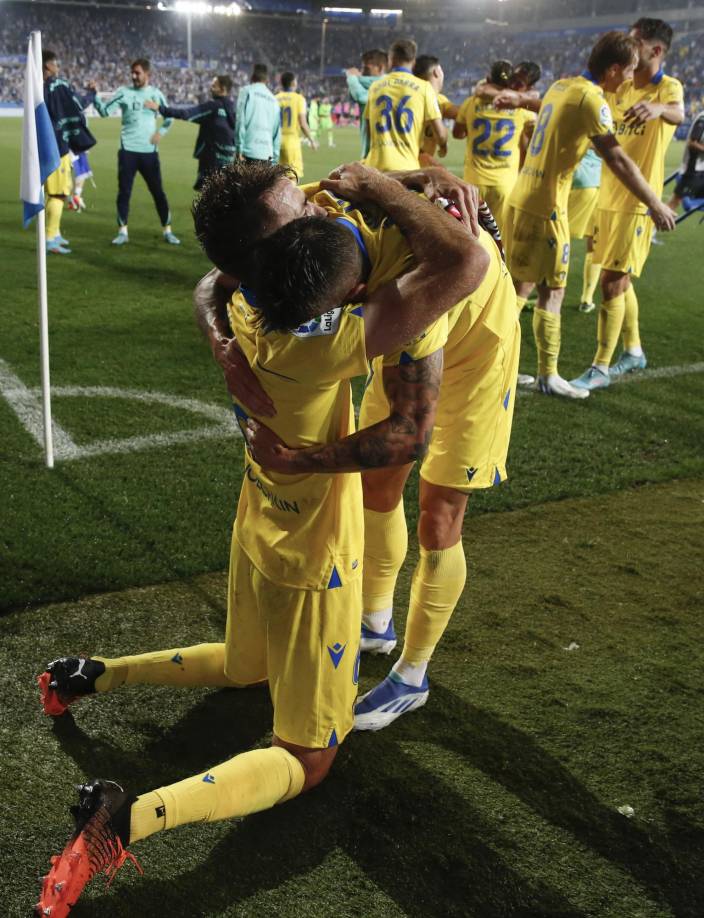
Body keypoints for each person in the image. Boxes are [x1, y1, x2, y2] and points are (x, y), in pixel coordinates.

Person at [33, 162, 488, 918]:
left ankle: (91, 674)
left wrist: (217, 338)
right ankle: (127, 819)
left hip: (257, 519)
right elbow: (460, 275)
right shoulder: (327, 340)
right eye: (296, 209)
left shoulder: (244, 302)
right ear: (279, 259)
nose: (315, 206)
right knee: (309, 758)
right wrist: (384, 190)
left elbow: (208, 283)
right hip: (314, 555)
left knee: (249, 665)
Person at [504, 31, 676, 399]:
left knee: (518, 289)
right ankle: (549, 376)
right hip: (547, 206)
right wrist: (656, 203)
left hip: (520, 196)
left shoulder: (561, 85)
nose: (631, 78)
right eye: (628, 70)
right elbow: (617, 159)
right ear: (613, 70)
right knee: (553, 291)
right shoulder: (591, 100)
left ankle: (494, 365)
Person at [572, 19, 685, 391]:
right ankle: (634, 351)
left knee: (611, 282)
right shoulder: (618, 87)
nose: (628, 45)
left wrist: (657, 110)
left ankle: (601, 366)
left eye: (637, 42)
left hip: (638, 204)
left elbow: (678, 113)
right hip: (606, 199)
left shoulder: (668, 88)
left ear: (656, 51)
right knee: (617, 279)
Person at [91, 58, 179, 246]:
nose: (133, 76)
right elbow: (105, 112)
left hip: (149, 152)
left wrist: (160, 132)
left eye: (137, 73)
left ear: (148, 74)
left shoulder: (155, 94)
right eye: (132, 72)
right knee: (124, 192)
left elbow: (169, 116)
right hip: (127, 151)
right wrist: (95, 96)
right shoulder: (123, 93)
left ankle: (167, 230)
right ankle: (122, 231)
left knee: (158, 192)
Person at [454, 60, 536, 234]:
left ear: (488, 78)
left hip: (474, 181)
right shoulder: (519, 109)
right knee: (501, 237)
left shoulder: (470, 103)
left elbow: (458, 133)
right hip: (504, 184)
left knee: (473, 235)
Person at [42, 49, 96, 254]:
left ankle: (54, 234)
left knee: (57, 192)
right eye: (55, 62)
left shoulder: (37, 88)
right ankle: (49, 238)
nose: (57, 65)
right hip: (58, 145)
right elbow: (78, 104)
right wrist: (91, 93)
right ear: (48, 65)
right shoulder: (58, 85)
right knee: (57, 194)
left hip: (45, 145)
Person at [364, 38, 446, 172]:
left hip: (375, 168)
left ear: (390, 59)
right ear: (413, 61)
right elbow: (440, 134)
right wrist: (443, 146)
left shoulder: (375, 87)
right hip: (406, 169)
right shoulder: (424, 88)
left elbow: (369, 128)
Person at [145, 74, 235, 191]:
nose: (210, 88)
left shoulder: (213, 107)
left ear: (223, 89)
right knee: (224, 195)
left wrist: (160, 108)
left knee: (210, 197)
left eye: (214, 86)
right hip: (229, 159)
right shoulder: (234, 109)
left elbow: (185, 114)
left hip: (212, 160)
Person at [568, 147, 603, 313]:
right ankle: (586, 298)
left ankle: (534, 291)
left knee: (555, 237)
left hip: (571, 175)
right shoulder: (607, 120)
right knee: (595, 242)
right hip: (594, 180)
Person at [413, 54, 457, 162]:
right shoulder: (437, 100)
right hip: (419, 165)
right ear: (436, 72)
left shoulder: (410, 96)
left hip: (402, 162)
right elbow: (463, 113)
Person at [235, 63, 280, 164]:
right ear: (267, 79)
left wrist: (239, 149)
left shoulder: (246, 92)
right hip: (267, 155)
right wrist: (275, 159)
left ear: (252, 76)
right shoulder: (274, 99)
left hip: (248, 153)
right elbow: (277, 132)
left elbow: (240, 121)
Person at [346, 48, 387, 158]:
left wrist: (352, 78)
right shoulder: (366, 85)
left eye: (366, 68)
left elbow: (362, 97)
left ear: (381, 67)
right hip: (374, 155)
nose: (362, 71)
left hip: (380, 157)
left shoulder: (384, 87)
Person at [276, 71, 317, 178]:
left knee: (277, 178)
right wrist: (311, 140)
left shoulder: (275, 98)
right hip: (291, 143)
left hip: (276, 143)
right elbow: (303, 124)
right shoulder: (299, 99)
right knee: (292, 178)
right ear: (294, 83)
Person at [667, 109, 704, 211]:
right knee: (675, 202)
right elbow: (691, 143)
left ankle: (688, 201)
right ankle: (653, 226)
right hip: (693, 169)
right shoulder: (702, 119)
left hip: (701, 169)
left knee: (676, 201)